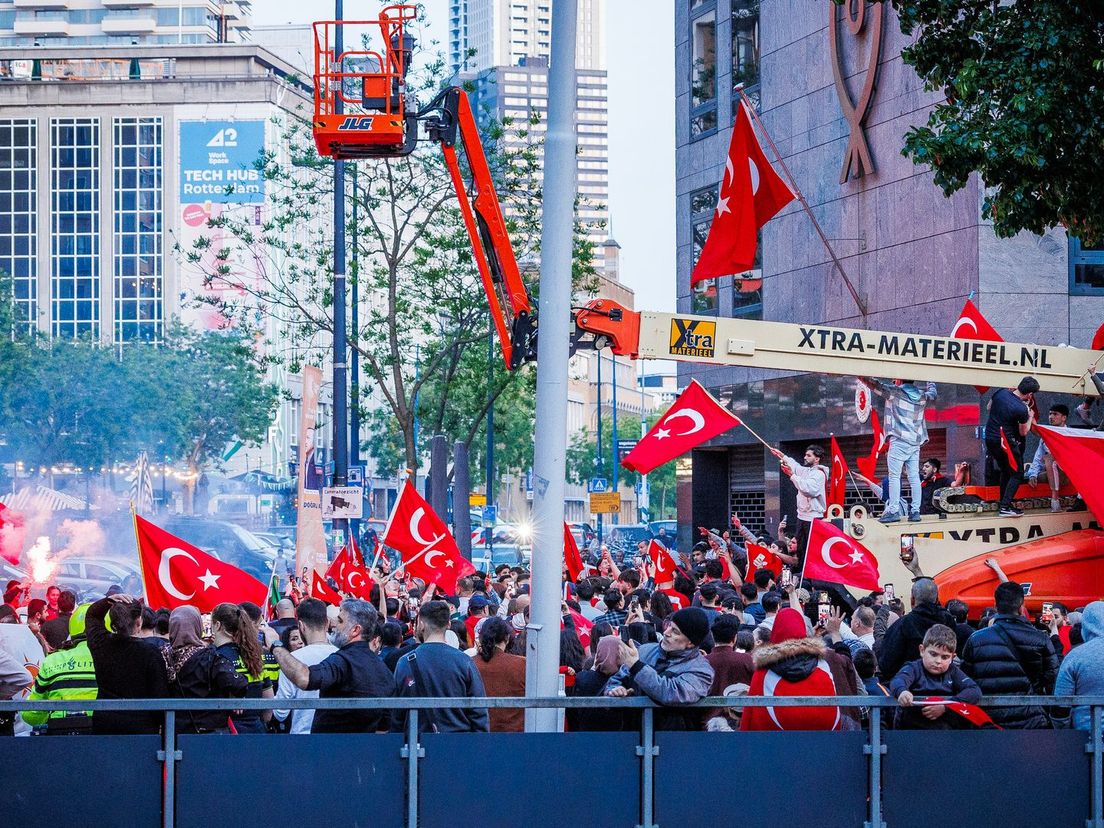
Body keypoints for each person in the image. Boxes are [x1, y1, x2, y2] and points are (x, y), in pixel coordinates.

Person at [268, 598, 396, 733]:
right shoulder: (382, 669)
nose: (334, 625)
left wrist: (276, 647)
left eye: (340, 621)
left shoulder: (343, 661)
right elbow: (383, 728)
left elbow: (304, 678)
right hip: (363, 749)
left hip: (328, 748)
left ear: (355, 630)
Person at [960, 581, 1058, 729]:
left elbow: (966, 679)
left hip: (988, 720)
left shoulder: (976, 639)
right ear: (1021, 607)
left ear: (995, 606)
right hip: (1031, 720)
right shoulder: (1041, 639)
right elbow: (1052, 680)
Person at [604, 607, 715, 730]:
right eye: (669, 626)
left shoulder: (702, 671)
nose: (667, 633)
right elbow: (616, 680)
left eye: (675, 632)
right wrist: (615, 690)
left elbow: (671, 693)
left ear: (691, 643)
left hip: (674, 740)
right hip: (633, 736)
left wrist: (637, 667)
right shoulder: (644, 650)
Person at [395, 600, 489, 733]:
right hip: (458, 743)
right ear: (449, 624)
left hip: (417, 745)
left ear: (421, 624)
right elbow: (478, 711)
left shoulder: (404, 662)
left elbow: (397, 714)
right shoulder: (464, 661)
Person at [741, 607, 841, 731]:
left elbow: (750, 717)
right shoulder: (823, 666)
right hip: (819, 741)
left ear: (775, 632)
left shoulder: (762, 672)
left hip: (773, 742)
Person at [84, 594, 170, 735]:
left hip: (105, 724)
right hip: (140, 727)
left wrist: (108, 601)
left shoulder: (101, 644)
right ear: (138, 623)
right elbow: (160, 697)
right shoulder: (150, 653)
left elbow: (92, 616)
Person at [859, 377, 938, 523]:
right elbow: (933, 393)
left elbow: (874, 385)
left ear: (899, 380)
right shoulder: (922, 396)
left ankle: (893, 510)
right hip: (914, 443)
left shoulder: (895, 392)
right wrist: (930, 379)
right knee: (914, 478)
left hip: (899, 441)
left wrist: (859, 375)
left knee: (894, 477)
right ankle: (915, 512)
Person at [163, 606, 248, 735]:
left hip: (173, 734)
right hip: (207, 734)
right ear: (198, 627)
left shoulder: (161, 655)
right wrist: (236, 694)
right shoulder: (209, 657)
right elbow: (238, 683)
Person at [22, 602, 98, 735]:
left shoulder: (53, 661)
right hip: (105, 740)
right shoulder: (117, 660)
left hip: (60, 741)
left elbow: (30, 714)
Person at [889, 624, 981, 730]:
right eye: (933, 654)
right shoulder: (913, 668)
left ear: (952, 657)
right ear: (922, 650)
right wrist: (902, 691)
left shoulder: (953, 671)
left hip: (945, 734)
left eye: (945, 657)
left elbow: (974, 691)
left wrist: (946, 707)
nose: (938, 661)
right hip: (912, 732)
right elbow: (898, 680)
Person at [272, 597, 338, 735]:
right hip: (336, 740)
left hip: (302, 739)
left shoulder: (291, 660)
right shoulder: (344, 656)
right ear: (327, 623)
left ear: (301, 626)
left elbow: (280, 713)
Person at [875, 578, 955, 681]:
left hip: (909, 688)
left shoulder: (903, 624)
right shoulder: (948, 621)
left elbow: (886, 663)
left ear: (912, 599)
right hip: (944, 686)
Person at [210, 602, 269, 734]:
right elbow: (268, 700)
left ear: (218, 625)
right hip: (257, 730)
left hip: (228, 732)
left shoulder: (213, 656)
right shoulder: (256, 655)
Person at [984, 376, 1038, 517]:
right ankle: (1005, 507)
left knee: (1006, 471)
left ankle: (1004, 503)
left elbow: (988, 407)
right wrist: (1030, 416)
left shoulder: (1000, 392)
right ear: (1029, 394)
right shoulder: (1021, 408)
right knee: (1017, 473)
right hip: (1005, 441)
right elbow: (1023, 431)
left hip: (990, 437)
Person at [770, 444, 828, 563]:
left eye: (808, 455)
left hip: (812, 518)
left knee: (810, 550)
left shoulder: (819, 474)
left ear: (817, 459)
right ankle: (800, 573)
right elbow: (795, 466)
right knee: (800, 549)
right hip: (802, 516)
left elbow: (809, 490)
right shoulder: (807, 470)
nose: (805, 457)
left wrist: (792, 475)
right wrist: (782, 455)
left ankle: (808, 577)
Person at [1055, 601, 1104, 732]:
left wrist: (1065, 733)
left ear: (1086, 627)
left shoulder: (1074, 657)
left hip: (1085, 737)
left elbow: (1060, 706)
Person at [472, 616, 526, 732]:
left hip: (480, 736)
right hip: (516, 737)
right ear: (507, 638)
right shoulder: (522, 664)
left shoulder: (470, 663)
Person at [570, 635, 629, 731]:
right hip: (618, 739)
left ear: (598, 654)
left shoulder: (581, 677)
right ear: (620, 654)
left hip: (584, 737)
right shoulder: (625, 680)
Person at [1027, 403, 1070, 511]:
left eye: (1055, 414)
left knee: (1050, 460)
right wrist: (1033, 474)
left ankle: (1055, 500)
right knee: (1026, 476)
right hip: (1051, 473)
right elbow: (1038, 458)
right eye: (1050, 414)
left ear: (1064, 418)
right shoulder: (1045, 436)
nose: (1051, 417)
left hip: (1069, 475)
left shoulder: (1071, 434)